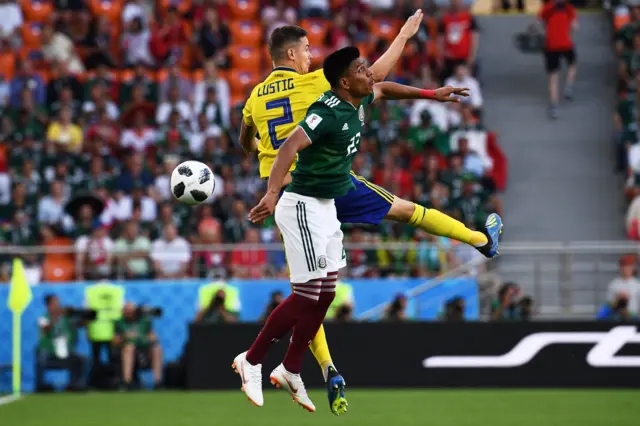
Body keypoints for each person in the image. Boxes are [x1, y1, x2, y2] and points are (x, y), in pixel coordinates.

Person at [237, 15, 503, 416]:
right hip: (308, 186)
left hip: (303, 187)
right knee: (400, 216)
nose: (311, 55)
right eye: (307, 49)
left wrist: (263, 153)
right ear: (291, 54)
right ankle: (480, 240)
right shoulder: (315, 84)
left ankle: (321, 369)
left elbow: (245, 139)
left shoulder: (255, 96)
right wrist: (403, 37)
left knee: (316, 285)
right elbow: (375, 76)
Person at [538, 0, 578, 119]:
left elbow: (538, 22)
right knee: (572, 64)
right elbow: (575, 26)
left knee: (553, 76)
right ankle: (569, 86)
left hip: (551, 45)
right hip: (566, 43)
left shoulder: (547, 8)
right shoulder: (568, 8)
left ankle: (554, 107)